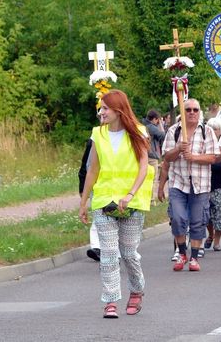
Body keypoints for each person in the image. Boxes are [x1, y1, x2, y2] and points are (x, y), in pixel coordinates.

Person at [78, 90, 154, 319]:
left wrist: (130, 194)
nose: (101, 112)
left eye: (105, 108)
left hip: (132, 201)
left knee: (129, 253)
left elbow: (144, 166)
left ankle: (137, 289)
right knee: (109, 254)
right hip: (104, 200)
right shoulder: (98, 135)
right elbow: (93, 169)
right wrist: (83, 202)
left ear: (118, 110)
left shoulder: (139, 132)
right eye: (100, 108)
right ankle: (111, 301)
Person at [162, 99, 219, 272]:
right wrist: (178, 148)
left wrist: (193, 157)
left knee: (197, 221)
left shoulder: (207, 131)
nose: (192, 112)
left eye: (195, 109)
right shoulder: (173, 131)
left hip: (200, 183)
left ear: (200, 112)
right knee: (178, 218)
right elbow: (167, 157)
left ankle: (194, 257)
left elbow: (213, 157)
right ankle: (181, 253)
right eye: (188, 110)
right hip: (178, 182)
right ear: (183, 112)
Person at [203, 117, 221, 252]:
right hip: (204, 184)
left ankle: (217, 241)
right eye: (211, 128)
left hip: (220, 185)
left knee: (219, 215)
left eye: (216, 129)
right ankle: (210, 235)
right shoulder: (204, 144)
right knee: (206, 215)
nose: (213, 131)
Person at [78, 137, 101, 262]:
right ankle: (96, 247)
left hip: (118, 188)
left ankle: (114, 250)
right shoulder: (94, 139)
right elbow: (86, 166)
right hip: (96, 185)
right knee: (98, 214)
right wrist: (82, 188)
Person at [141, 109, 166, 204]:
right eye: (158, 120)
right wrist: (161, 125)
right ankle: (151, 200)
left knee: (145, 178)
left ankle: (146, 199)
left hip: (145, 155)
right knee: (153, 179)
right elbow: (163, 135)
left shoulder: (143, 125)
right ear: (155, 119)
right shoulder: (151, 127)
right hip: (151, 156)